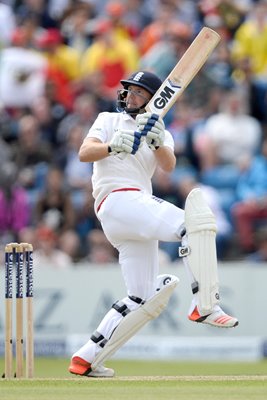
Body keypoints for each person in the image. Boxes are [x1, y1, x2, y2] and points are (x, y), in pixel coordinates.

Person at [68, 70, 238, 378]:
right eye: (127, 91)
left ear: (151, 99)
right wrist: (112, 146)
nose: (129, 97)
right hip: (118, 200)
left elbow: (169, 165)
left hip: (133, 214)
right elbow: (84, 153)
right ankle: (205, 305)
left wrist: (157, 139)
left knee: (140, 297)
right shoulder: (108, 120)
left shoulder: (159, 128)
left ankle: (87, 358)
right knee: (194, 225)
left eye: (136, 93)